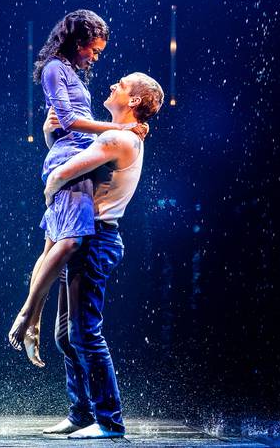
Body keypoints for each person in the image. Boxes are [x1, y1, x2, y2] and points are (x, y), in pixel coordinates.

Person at [8, 11, 145, 355]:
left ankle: (34, 321)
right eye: (94, 50)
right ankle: (26, 314)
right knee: (68, 243)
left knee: (51, 245)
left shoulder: (68, 72)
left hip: (72, 154)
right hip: (70, 159)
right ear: (78, 42)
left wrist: (122, 130)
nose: (95, 58)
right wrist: (118, 129)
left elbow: (63, 127)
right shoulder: (55, 68)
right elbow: (68, 121)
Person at [36, 72, 165, 439]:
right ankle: (81, 413)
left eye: (122, 85)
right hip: (87, 236)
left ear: (135, 101)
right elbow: (65, 153)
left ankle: (109, 421)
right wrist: (52, 135)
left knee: (86, 334)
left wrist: (52, 187)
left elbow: (63, 171)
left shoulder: (116, 138)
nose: (112, 86)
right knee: (66, 335)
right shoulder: (115, 136)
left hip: (96, 241)